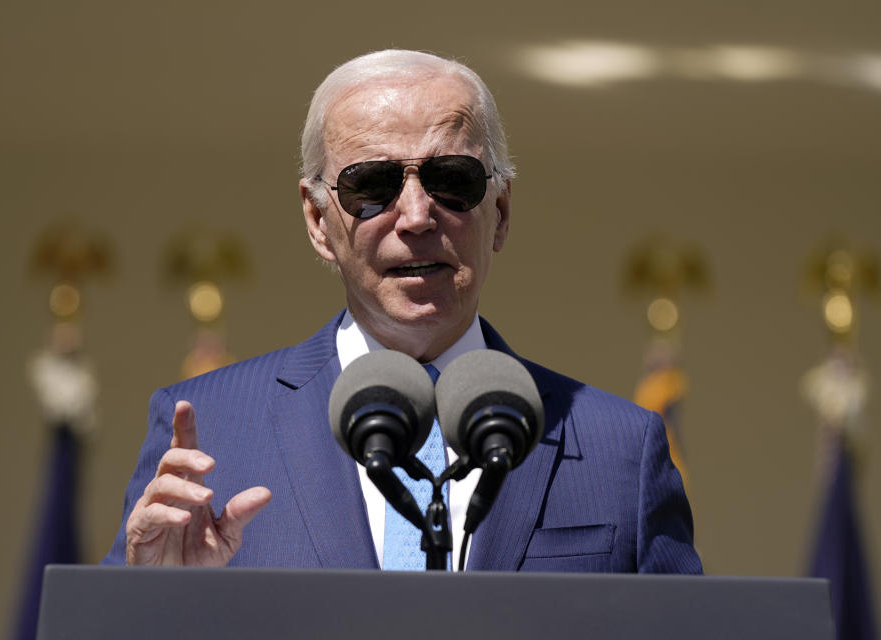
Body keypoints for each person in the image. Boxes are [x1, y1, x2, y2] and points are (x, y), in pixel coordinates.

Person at [103, 49, 702, 573]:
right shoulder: (211, 431)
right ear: (318, 221)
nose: (416, 216)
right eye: (372, 186)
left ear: (503, 211)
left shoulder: (619, 447)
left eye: (452, 179)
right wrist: (148, 601)